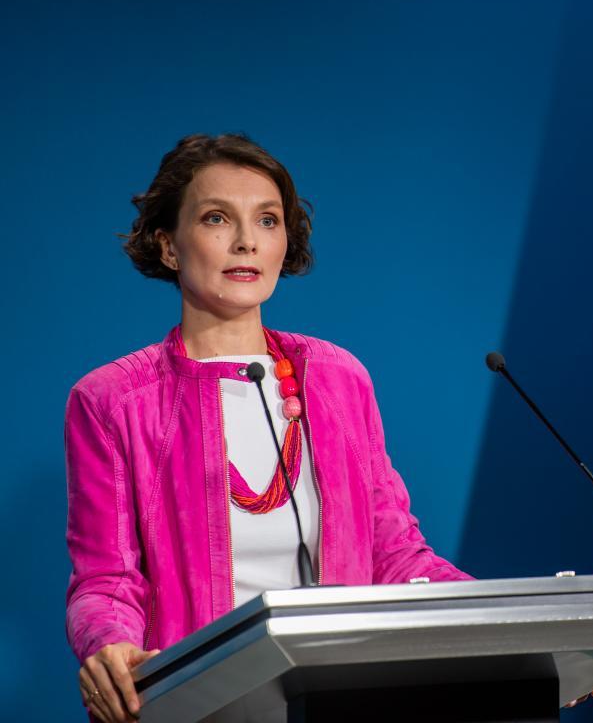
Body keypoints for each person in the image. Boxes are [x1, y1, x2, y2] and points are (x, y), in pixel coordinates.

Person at [65, 134, 473, 722]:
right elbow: (106, 580)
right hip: (199, 704)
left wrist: (514, 629)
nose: (246, 241)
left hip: (342, 700)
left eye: (267, 220)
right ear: (169, 246)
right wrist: (109, 644)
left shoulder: (337, 378)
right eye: (215, 218)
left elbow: (396, 554)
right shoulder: (113, 400)